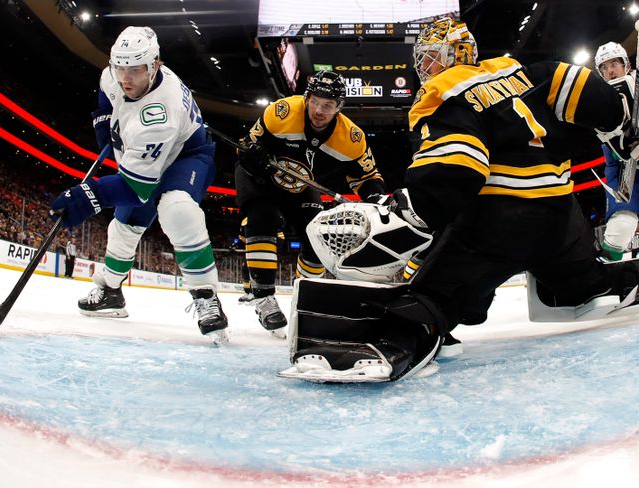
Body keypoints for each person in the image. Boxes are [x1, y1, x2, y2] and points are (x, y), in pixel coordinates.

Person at [284, 17, 639, 382]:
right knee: (586, 282)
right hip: (564, 216)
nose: (424, 67)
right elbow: (580, 84)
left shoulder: (442, 91)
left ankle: (392, 341)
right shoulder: (516, 68)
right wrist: (619, 122)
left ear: (455, 53)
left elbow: (458, 169)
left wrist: (413, 209)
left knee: (437, 293)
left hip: (501, 218)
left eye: (430, 57)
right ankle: (606, 284)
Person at [50, 26, 229, 345]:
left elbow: (136, 188)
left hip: (185, 156)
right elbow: (106, 92)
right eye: (120, 68)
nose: (126, 78)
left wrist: (86, 198)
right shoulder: (114, 74)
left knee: (177, 209)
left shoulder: (159, 114)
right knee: (125, 225)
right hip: (146, 156)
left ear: (155, 65)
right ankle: (110, 291)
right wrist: (104, 120)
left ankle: (205, 296)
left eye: (135, 70)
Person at [236, 70, 385, 335]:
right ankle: (262, 297)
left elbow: (367, 178)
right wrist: (253, 156)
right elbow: (246, 147)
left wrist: (376, 199)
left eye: (327, 105)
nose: (318, 110)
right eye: (315, 101)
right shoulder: (281, 112)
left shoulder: (352, 139)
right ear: (306, 98)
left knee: (318, 236)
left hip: (301, 185)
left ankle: (304, 298)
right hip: (260, 178)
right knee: (263, 217)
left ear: (339, 107)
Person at [593, 41, 639, 261]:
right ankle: (610, 273)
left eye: (614, 64)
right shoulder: (597, 99)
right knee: (619, 229)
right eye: (604, 67)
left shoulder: (635, 83)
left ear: (626, 65)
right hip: (623, 168)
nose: (610, 71)